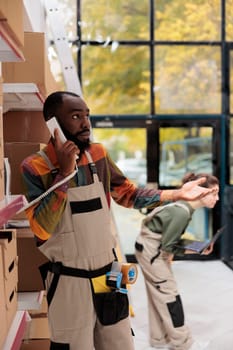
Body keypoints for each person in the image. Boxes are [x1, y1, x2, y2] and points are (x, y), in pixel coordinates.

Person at [20, 91, 213, 350]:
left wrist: (177, 194)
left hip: (109, 276)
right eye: (76, 116)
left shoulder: (97, 154)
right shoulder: (34, 167)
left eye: (87, 116)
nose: (86, 123)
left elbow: (129, 195)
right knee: (73, 345)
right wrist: (65, 174)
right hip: (69, 282)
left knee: (118, 343)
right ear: (53, 123)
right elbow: (41, 228)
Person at [135, 172, 219, 350]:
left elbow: (169, 239)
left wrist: (195, 246)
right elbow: (168, 247)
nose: (217, 198)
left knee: (158, 294)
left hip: (148, 247)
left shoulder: (183, 206)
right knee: (169, 296)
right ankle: (184, 344)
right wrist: (195, 249)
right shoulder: (181, 212)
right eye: (214, 192)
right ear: (201, 192)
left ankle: (159, 339)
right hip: (153, 253)